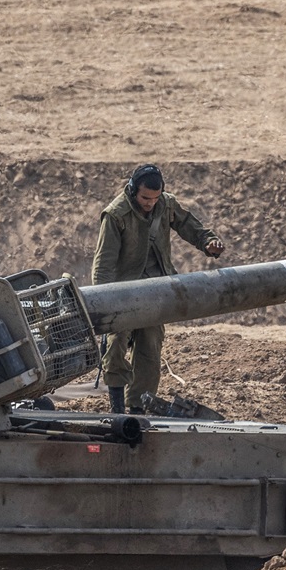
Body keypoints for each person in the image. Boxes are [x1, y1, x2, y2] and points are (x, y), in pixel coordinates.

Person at [92, 164, 225, 413]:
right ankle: (117, 409)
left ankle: (138, 407)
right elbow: (103, 264)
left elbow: (189, 225)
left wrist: (208, 242)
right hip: (124, 293)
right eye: (145, 198)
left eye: (155, 198)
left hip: (157, 290)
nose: (150, 203)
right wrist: (104, 304)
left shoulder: (166, 204)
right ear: (132, 191)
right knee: (116, 345)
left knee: (150, 349)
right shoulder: (115, 215)